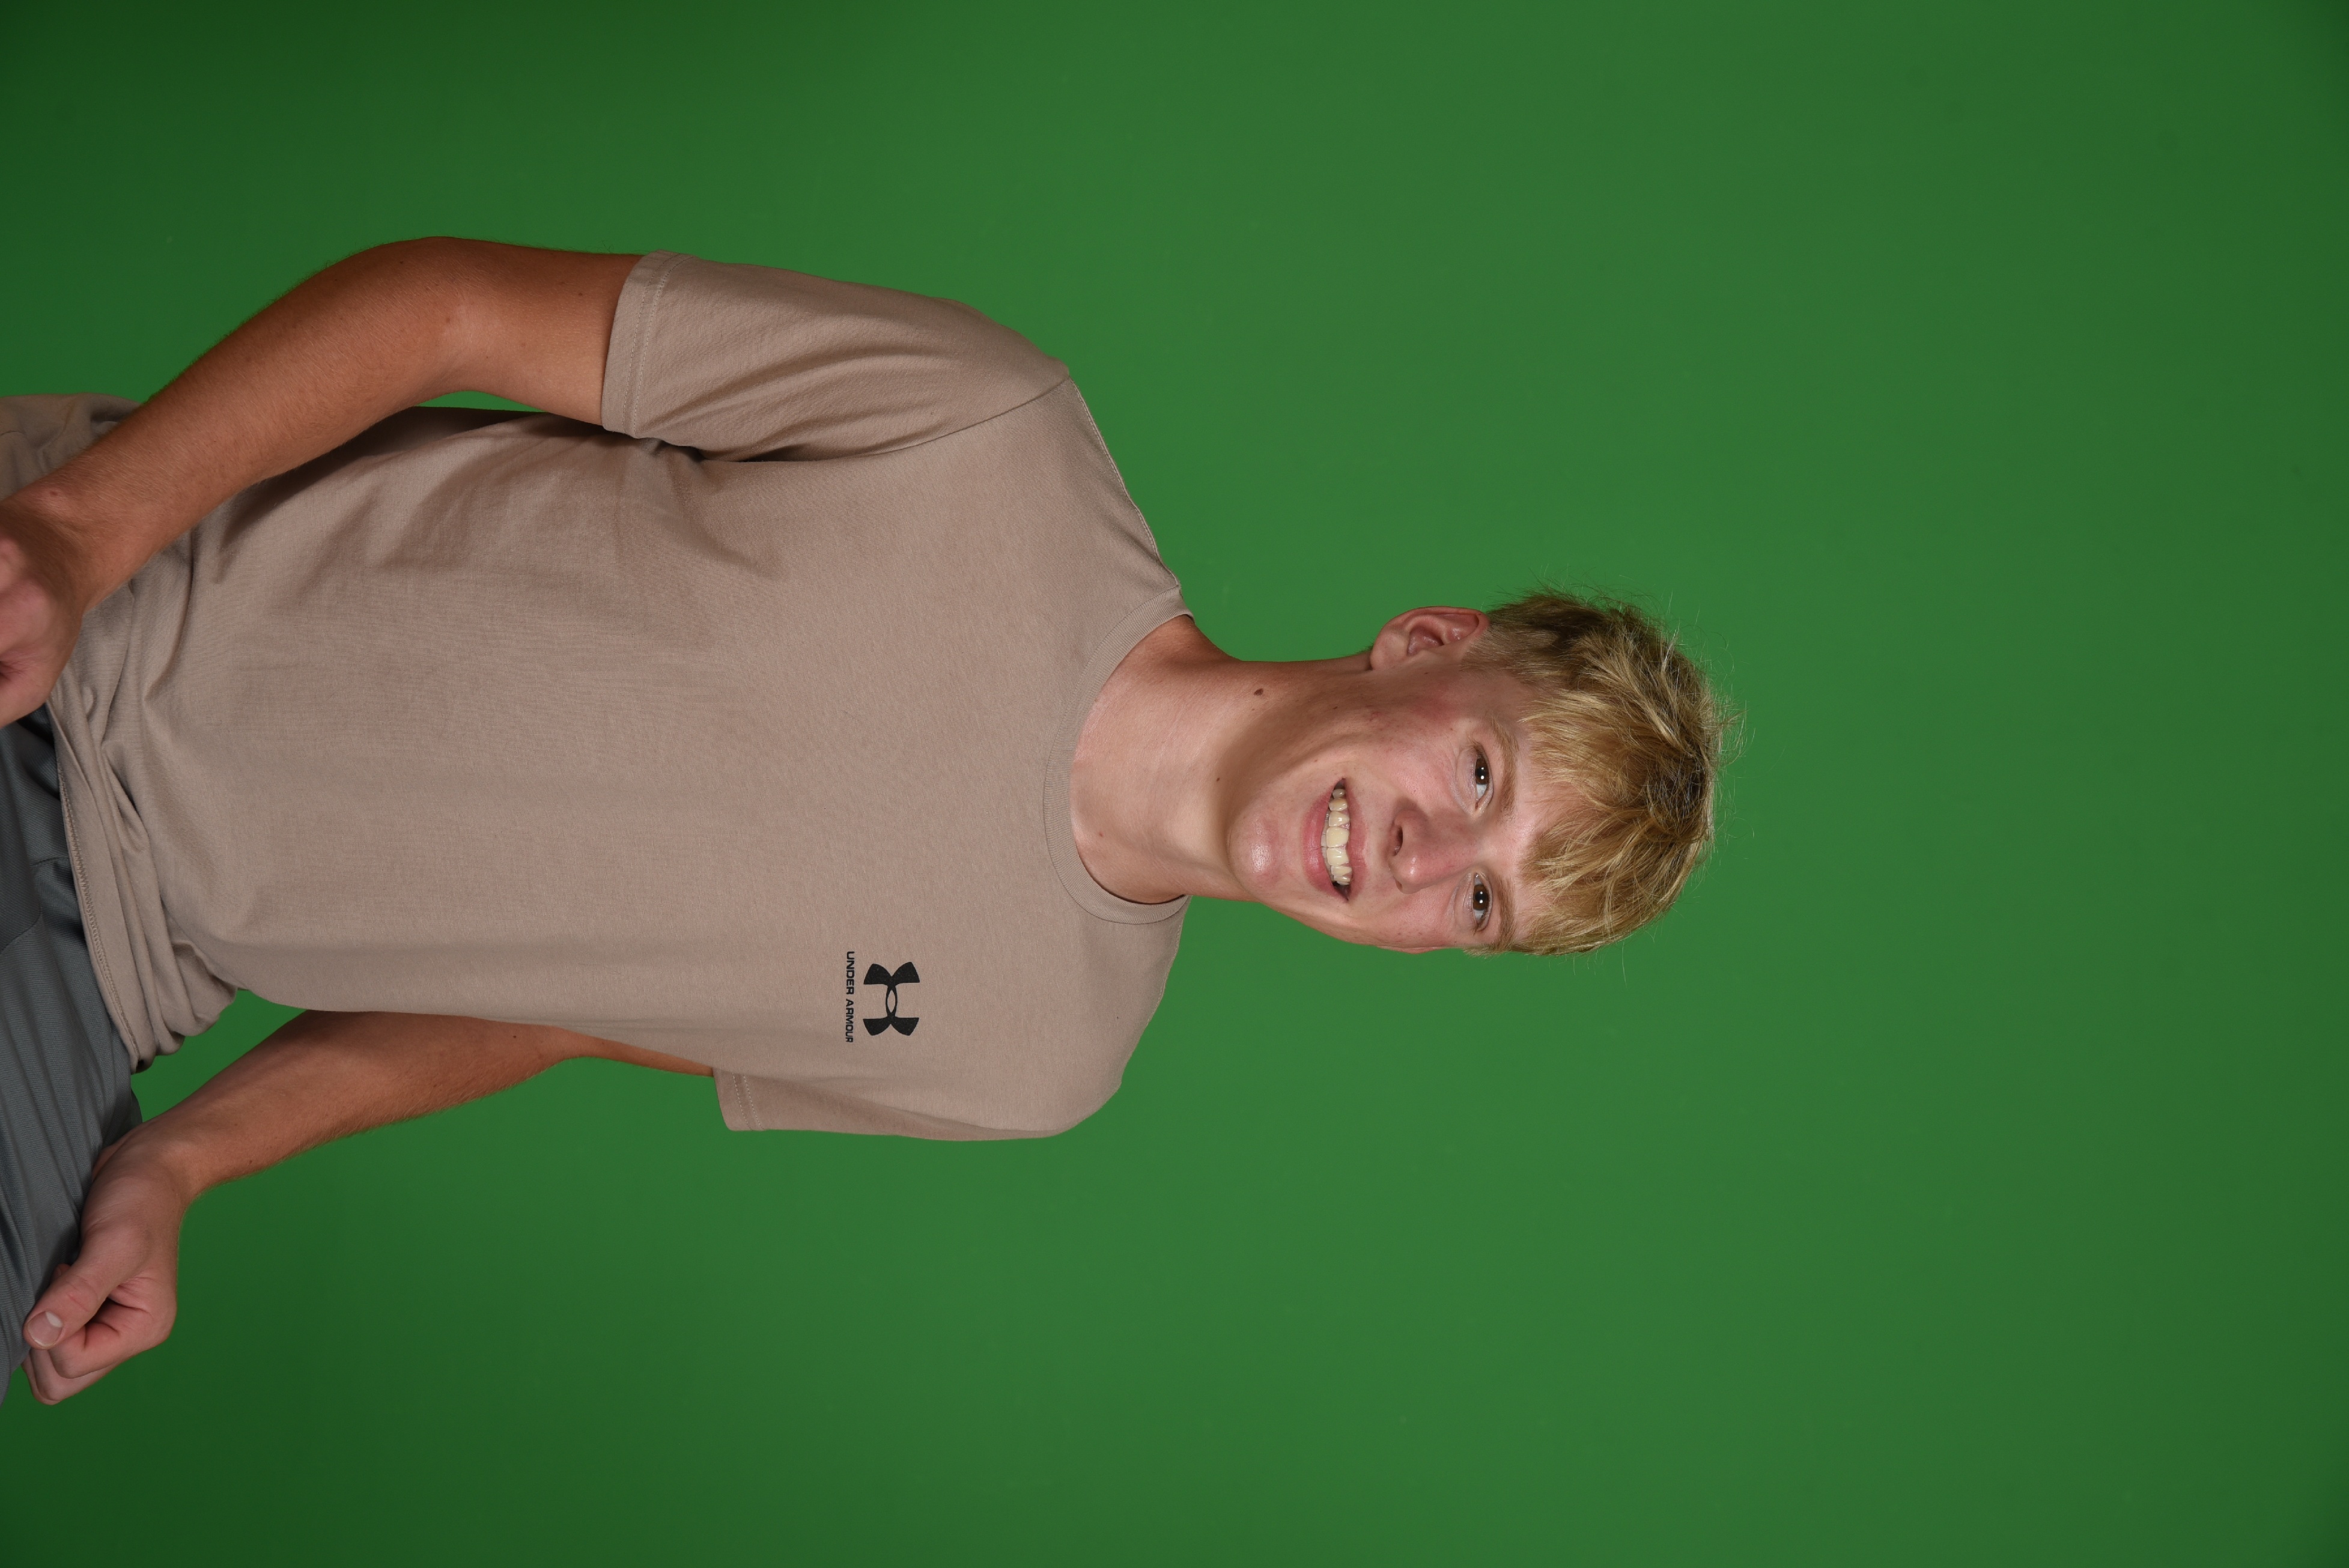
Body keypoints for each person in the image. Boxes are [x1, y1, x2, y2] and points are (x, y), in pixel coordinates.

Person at [0, 240, 1726, 1406]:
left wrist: (183, 1160)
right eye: (1480, 779)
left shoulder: (1042, 1063)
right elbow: (448, 307)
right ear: (1425, 647)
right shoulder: (995, 434)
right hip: (78, 630)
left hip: (106, 981)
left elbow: (551, 1007)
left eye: (1484, 906)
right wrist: (75, 539)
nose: (1430, 859)